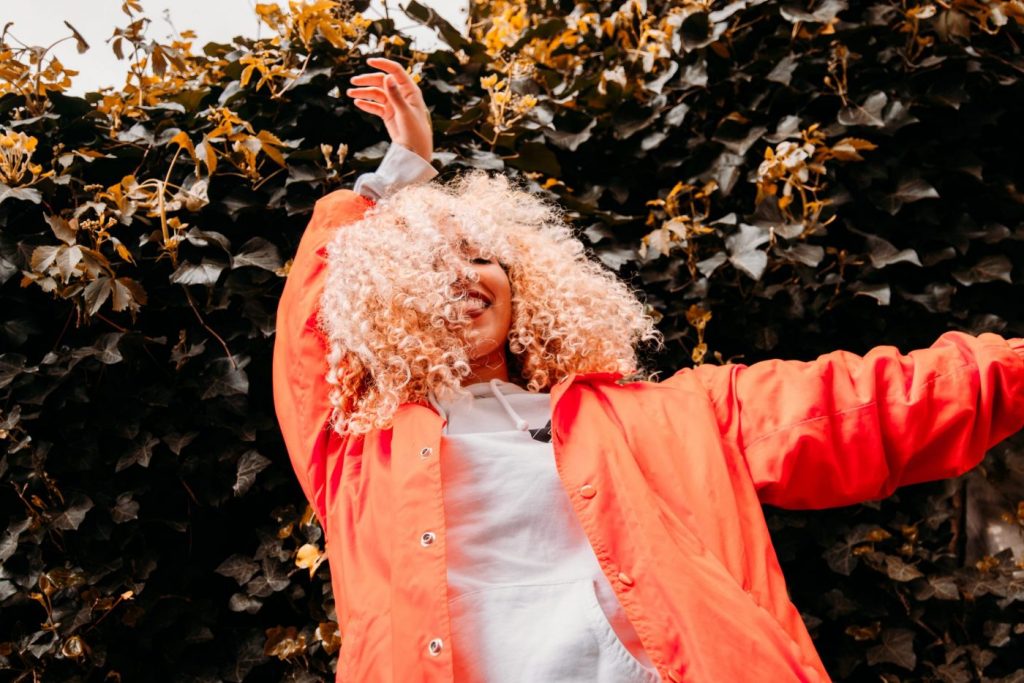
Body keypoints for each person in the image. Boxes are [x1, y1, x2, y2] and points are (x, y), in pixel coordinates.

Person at [272, 57, 1024, 683]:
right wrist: (399, 176)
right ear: (389, 299)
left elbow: (861, 406)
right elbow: (307, 338)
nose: (467, 276)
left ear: (523, 282)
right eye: (433, 267)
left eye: (481, 256)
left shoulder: (665, 414)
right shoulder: (355, 448)